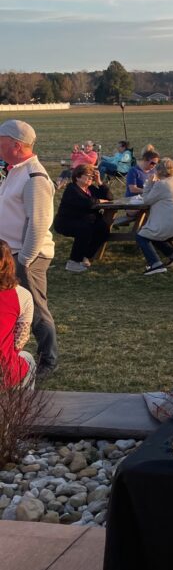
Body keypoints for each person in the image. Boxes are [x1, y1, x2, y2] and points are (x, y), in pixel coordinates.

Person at [0, 120, 58, 380]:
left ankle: (48, 360)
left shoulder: (35, 177)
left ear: (16, 145)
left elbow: (38, 222)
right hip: (11, 253)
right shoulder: (16, 171)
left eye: (1, 142)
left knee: (34, 308)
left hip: (27, 255)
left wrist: (24, 260)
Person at [135, 158, 173, 276]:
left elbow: (146, 200)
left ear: (159, 171)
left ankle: (155, 264)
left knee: (141, 235)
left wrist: (149, 184)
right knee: (150, 233)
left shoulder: (161, 184)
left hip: (171, 223)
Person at [53, 164, 113, 273]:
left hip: (86, 220)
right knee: (84, 229)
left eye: (92, 176)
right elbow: (87, 202)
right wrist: (99, 201)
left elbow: (109, 197)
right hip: (67, 222)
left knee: (103, 228)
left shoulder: (90, 189)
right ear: (77, 177)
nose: (91, 178)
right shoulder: (72, 189)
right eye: (88, 175)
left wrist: (99, 182)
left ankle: (86, 255)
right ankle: (73, 262)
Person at [0, 239, 36, 389]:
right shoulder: (22, 295)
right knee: (28, 359)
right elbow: (21, 338)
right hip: (4, 371)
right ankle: (24, 400)